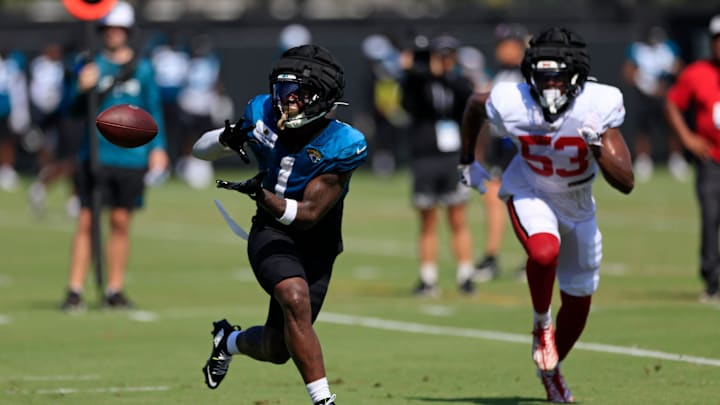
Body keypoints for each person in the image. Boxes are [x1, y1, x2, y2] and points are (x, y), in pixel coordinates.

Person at [459, 27, 634, 402]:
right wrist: (467, 160)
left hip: (579, 204)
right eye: (543, 76)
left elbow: (626, 182)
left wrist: (598, 147)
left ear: (576, 76)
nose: (550, 85)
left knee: (578, 299)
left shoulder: (598, 103)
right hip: (531, 189)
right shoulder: (512, 99)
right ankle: (541, 322)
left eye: (557, 76)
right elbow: (475, 104)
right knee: (543, 252)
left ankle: (551, 371)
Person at [191, 44, 366, 405]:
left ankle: (228, 341)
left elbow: (307, 215)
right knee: (294, 297)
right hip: (271, 232)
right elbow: (199, 150)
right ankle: (324, 401)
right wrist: (227, 138)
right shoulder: (261, 113)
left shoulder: (342, 143)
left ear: (322, 98)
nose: (286, 101)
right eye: (283, 90)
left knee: (277, 347)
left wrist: (261, 194)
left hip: (315, 240)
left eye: (298, 93)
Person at [59, 0, 169, 311]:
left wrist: (158, 149)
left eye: (119, 28)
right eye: (107, 28)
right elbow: (69, 110)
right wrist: (81, 87)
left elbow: (153, 110)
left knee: (121, 221)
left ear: (128, 31)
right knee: (86, 220)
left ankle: (114, 288)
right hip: (94, 156)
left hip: (131, 159)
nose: (113, 34)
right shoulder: (88, 64)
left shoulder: (143, 68)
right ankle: (75, 289)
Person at [400, 33, 477, 296]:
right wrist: (416, 71)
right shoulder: (417, 83)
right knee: (428, 220)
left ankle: (467, 274)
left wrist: (443, 75)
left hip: (451, 157)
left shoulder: (458, 82)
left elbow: (466, 102)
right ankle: (428, 278)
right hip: (425, 157)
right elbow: (409, 104)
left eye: (449, 55)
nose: (445, 60)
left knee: (458, 218)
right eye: (440, 55)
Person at [664, 15, 720, 303]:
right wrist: (687, 139)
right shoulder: (697, 72)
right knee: (711, 218)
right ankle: (712, 280)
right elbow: (672, 103)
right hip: (711, 160)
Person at [473, 23, 526, 282]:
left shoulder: (527, 77)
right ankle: (491, 257)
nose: (501, 50)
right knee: (492, 199)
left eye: (506, 44)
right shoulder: (498, 76)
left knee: (524, 202)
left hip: (521, 147)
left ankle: (533, 257)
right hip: (500, 147)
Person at [622, 25, 687, 183]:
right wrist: (645, 84)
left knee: (672, 128)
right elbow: (628, 73)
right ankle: (644, 162)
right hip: (644, 95)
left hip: (666, 93)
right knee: (643, 130)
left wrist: (669, 76)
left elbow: (680, 68)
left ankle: (676, 160)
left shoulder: (669, 48)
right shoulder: (637, 49)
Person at [0, 49, 30, 192]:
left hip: (4, 111)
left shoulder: (11, 66)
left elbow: (15, 89)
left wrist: (19, 111)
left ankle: (6, 169)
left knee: (7, 142)